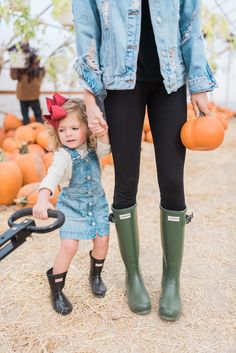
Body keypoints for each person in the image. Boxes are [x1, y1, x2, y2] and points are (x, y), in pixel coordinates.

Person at [72, 0, 217, 321]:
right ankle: (133, 275)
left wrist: (199, 84)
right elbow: (86, 28)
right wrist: (90, 97)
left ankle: (171, 280)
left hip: (171, 81)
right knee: (126, 181)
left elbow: (190, 22)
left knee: (172, 180)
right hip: (120, 84)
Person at [32, 93, 111, 315]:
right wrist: (43, 198)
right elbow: (52, 175)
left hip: (97, 204)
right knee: (69, 246)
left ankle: (95, 276)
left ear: (86, 127)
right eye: (62, 130)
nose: (68, 134)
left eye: (74, 128)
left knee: (103, 240)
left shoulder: (93, 149)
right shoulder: (63, 156)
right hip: (72, 206)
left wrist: (103, 133)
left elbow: (106, 150)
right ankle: (56, 290)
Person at [10, 51, 44, 125]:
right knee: (26, 116)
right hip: (23, 96)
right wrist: (14, 65)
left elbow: (41, 76)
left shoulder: (37, 69)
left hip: (32, 95)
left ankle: (39, 129)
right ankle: (28, 129)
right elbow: (13, 76)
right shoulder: (20, 68)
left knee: (37, 115)